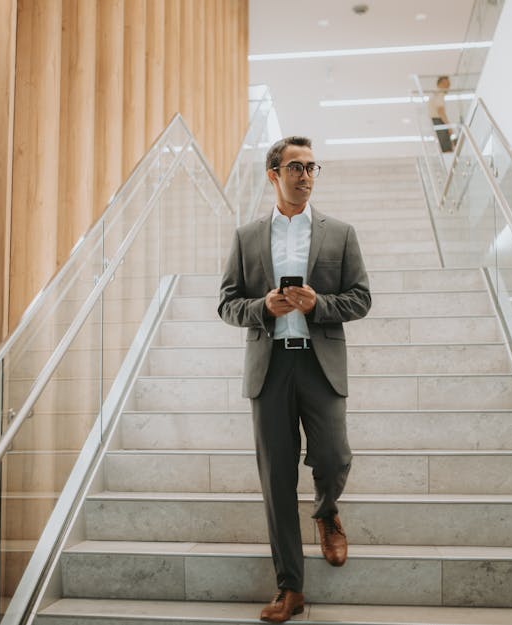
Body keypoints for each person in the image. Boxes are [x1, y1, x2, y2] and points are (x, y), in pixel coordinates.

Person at [218, 136, 371, 622]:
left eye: (311, 167)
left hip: (319, 363)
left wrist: (317, 305)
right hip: (270, 366)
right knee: (277, 479)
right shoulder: (246, 237)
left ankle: (326, 511)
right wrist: (262, 306)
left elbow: (362, 298)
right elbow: (226, 304)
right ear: (273, 175)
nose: (305, 176)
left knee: (332, 454)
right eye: (295, 168)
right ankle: (291, 588)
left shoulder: (340, 233)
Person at [429, 75, 454, 153]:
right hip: (439, 122)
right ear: (442, 83)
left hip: (436, 122)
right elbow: (440, 111)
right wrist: (448, 126)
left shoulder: (434, 94)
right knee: (447, 148)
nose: (448, 87)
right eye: (447, 84)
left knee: (445, 148)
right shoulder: (440, 93)